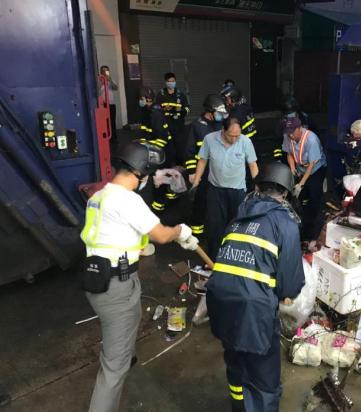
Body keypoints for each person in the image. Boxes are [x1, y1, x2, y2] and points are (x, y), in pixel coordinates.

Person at [81, 141, 198, 412]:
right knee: (113, 368)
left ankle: (126, 354)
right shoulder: (128, 199)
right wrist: (180, 231)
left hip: (100, 278)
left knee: (133, 314)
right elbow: (161, 234)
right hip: (115, 286)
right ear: (140, 171)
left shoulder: (99, 196)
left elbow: (120, 233)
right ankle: (119, 364)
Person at [206, 162, 305, 411]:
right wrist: (286, 294)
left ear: (257, 188)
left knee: (235, 361)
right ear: (285, 194)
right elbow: (290, 282)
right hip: (254, 311)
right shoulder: (285, 223)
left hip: (220, 303)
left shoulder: (237, 219)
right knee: (263, 378)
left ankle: (238, 406)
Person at [192, 117, 259, 258]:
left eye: (237, 136)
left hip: (237, 191)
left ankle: (233, 257)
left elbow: (253, 165)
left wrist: (259, 187)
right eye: (231, 135)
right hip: (215, 190)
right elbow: (202, 161)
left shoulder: (245, 141)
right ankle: (214, 258)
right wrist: (196, 182)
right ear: (223, 130)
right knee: (214, 226)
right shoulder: (210, 139)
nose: (234, 139)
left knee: (237, 225)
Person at [184, 94, 227, 236]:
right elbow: (189, 150)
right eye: (218, 113)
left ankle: (217, 227)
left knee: (219, 200)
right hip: (203, 171)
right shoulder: (197, 126)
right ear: (209, 112)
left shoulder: (221, 124)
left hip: (220, 170)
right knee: (200, 200)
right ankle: (197, 229)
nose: (221, 116)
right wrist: (192, 172)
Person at [283, 117, 327, 243]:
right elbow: (288, 153)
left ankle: (313, 232)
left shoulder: (311, 140)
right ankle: (301, 228)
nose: (290, 135)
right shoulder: (287, 136)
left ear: (299, 128)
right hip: (300, 169)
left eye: (292, 132)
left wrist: (301, 184)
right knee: (300, 199)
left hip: (315, 170)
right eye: (288, 132)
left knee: (314, 198)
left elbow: (312, 165)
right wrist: (292, 169)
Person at [136, 87, 176, 214]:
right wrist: (143, 143)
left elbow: (161, 138)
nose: (140, 101)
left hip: (163, 149)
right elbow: (146, 130)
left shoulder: (155, 113)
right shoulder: (147, 111)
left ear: (147, 99)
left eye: (141, 98)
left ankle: (159, 205)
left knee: (158, 177)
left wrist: (152, 151)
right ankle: (171, 194)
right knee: (164, 174)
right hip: (160, 148)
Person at [156, 72, 190, 167]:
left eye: (173, 81)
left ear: (175, 81)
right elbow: (156, 109)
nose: (171, 83)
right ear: (165, 82)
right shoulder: (161, 95)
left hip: (178, 125)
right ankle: (167, 165)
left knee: (179, 146)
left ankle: (180, 165)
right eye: (169, 81)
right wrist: (164, 109)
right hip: (165, 125)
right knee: (166, 146)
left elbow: (188, 109)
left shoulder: (181, 95)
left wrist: (181, 110)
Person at [100, 65, 119, 149]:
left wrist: (110, 80)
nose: (105, 72)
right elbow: (97, 90)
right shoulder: (98, 80)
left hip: (111, 104)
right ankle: (105, 137)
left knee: (112, 121)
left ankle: (113, 138)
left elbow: (116, 88)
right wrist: (102, 81)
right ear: (101, 71)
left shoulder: (110, 80)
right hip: (103, 104)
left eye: (107, 70)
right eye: (104, 71)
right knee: (104, 122)